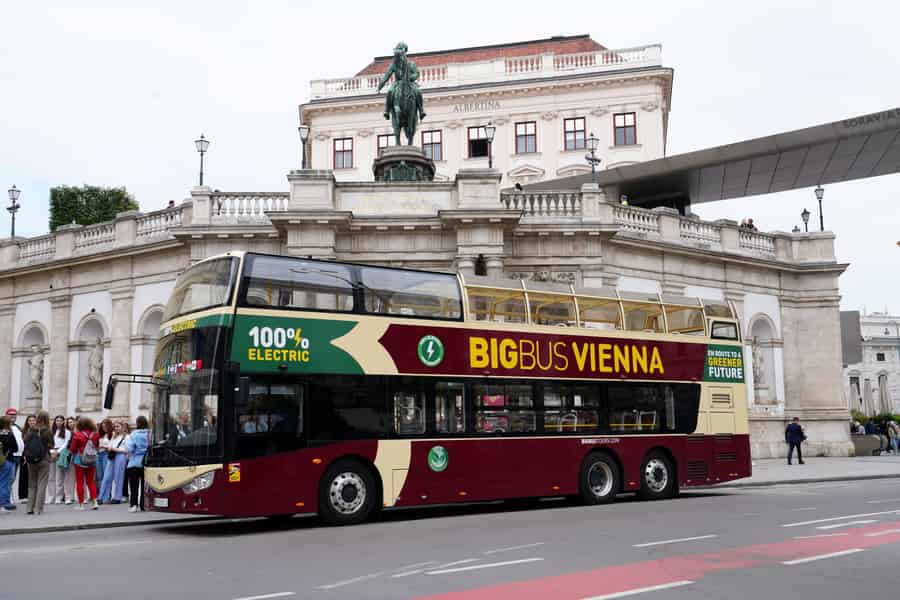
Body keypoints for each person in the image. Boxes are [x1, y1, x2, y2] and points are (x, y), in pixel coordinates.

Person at [24, 411, 53, 515]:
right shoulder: (47, 431)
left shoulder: (31, 430)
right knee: (42, 483)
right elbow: (51, 445)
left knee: (32, 484)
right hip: (44, 458)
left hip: (31, 459)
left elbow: (25, 443)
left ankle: (29, 508)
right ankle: (38, 508)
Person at [69, 417, 100, 510]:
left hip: (80, 460)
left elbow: (73, 449)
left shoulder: (77, 434)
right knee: (91, 481)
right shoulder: (96, 434)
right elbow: (97, 446)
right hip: (92, 459)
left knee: (80, 482)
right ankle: (95, 502)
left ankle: (81, 504)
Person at [99, 421, 128, 504]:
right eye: (115, 426)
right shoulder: (113, 436)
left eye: (118, 426)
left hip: (121, 456)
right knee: (106, 477)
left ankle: (117, 497)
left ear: (122, 427)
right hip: (112, 456)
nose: (116, 428)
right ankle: (102, 497)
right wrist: (107, 447)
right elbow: (110, 446)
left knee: (118, 477)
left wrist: (115, 449)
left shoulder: (127, 437)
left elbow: (127, 450)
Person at [125, 416, 149, 513]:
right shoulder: (150, 433)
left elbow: (130, 448)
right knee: (145, 486)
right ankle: (144, 505)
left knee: (134, 486)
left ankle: (133, 505)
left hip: (134, 462)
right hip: (146, 463)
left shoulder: (134, 434)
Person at [47, 415, 70, 504]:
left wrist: (58, 452)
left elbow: (66, 443)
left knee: (60, 477)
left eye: (60, 420)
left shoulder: (67, 432)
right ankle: (51, 496)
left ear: (63, 422)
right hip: (51, 453)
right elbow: (48, 442)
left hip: (61, 453)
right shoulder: (51, 431)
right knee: (51, 477)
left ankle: (59, 497)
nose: (58, 422)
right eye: (57, 420)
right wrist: (51, 451)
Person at [0, 416, 19, 511]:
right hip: (7, 459)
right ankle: (4, 503)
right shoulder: (8, 434)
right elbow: (15, 448)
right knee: (4, 482)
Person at [6, 409, 23, 504]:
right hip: (9, 456)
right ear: (6, 415)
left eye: (14, 415)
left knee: (12, 478)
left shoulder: (17, 427)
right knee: (9, 477)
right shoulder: (3, 427)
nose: (13, 416)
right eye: (11, 414)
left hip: (18, 456)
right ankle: (7, 498)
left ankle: (8, 496)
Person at [18, 413, 36, 504]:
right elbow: (21, 444)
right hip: (24, 455)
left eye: (33, 420)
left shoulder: (38, 430)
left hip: (35, 456)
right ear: (27, 422)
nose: (31, 422)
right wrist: (24, 454)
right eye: (30, 421)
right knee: (24, 475)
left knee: (33, 476)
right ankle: (23, 496)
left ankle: (33, 495)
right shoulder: (23, 431)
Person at [96, 418, 114, 494]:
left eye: (105, 425)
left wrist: (105, 447)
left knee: (106, 475)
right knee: (99, 476)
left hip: (106, 454)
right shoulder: (99, 434)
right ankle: (101, 494)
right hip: (98, 455)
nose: (103, 427)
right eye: (102, 425)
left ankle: (107, 493)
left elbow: (113, 445)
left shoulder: (112, 434)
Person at [63, 417, 77, 503]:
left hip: (78, 455)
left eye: (71, 422)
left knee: (79, 477)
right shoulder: (67, 432)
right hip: (70, 454)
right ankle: (69, 497)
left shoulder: (78, 431)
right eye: (69, 423)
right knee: (69, 477)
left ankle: (78, 496)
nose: (70, 424)